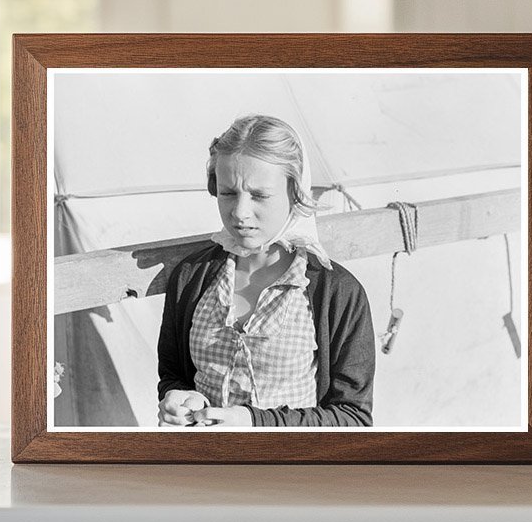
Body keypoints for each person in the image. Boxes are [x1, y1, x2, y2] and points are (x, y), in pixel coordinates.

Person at [157, 114, 375, 428]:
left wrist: (254, 423)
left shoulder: (336, 292)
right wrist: (177, 399)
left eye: (260, 195)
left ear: (296, 192)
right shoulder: (193, 277)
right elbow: (174, 375)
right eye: (228, 193)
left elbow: (352, 417)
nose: (240, 212)